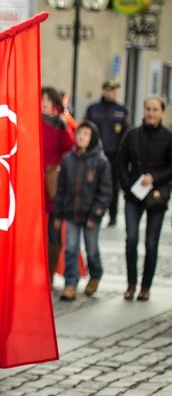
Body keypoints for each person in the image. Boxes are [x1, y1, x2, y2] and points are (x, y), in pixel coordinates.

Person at [115, 96, 172, 301]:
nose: (151, 113)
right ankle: (131, 284)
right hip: (133, 196)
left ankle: (145, 287)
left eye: (155, 109)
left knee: (151, 242)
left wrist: (155, 178)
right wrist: (127, 185)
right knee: (131, 239)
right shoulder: (132, 134)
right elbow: (120, 162)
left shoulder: (168, 136)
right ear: (143, 110)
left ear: (162, 113)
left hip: (157, 196)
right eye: (148, 109)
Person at [52, 121, 112, 301]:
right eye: (79, 134)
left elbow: (106, 191)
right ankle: (71, 283)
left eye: (86, 134)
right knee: (70, 248)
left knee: (91, 249)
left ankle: (95, 274)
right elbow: (61, 189)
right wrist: (58, 214)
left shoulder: (100, 161)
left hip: (90, 215)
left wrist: (97, 213)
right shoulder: (68, 160)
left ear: (92, 137)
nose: (81, 137)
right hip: (71, 213)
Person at [41, 86, 75, 283]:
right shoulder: (31, 121)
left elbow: (70, 150)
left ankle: (49, 274)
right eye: (41, 99)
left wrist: (64, 128)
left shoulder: (60, 124)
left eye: (47, 99)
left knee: (54, 231)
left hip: (52, 182)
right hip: (31, 183)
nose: (44, 102)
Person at [85, 80, 130, 227]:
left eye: (115, 90)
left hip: (114, 155)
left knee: (112, 187)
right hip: (95, 154)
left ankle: (113, 216)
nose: (113, 93)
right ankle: (92, 213)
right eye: (110, 90)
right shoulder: (93, 108)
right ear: (104, 90)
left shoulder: (121, 109)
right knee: (92, 183)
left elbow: (126, 133)